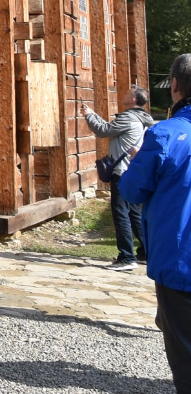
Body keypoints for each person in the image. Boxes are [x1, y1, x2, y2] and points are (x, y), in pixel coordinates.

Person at [119, 55, 191, 394]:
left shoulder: (163, 134)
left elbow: (132, 190)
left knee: (185, 357)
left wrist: (136, 161)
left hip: (180, 263)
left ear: (174, 86)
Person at [82, 88, 154, 271]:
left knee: (120, 213)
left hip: (121, 172)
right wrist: (92, 114)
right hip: (132, 172)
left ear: (132, 99)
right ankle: (147, 252)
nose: (123, 94)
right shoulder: (141, 118)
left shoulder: (128, 118)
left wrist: (89, 116)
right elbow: (109, 128)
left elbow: (103, 130)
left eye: (127, 93)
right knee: (134, 213)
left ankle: (126, 257)